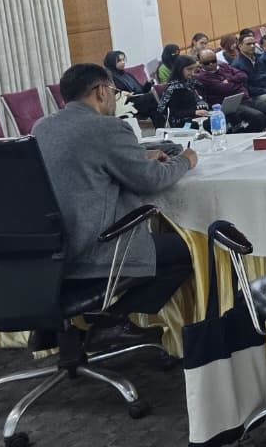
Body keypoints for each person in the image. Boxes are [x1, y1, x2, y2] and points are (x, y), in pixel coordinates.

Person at [33, 62, 196, 349]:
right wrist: (186, 160)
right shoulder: (107, 127)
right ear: (100, 91)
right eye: (113, 91)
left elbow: (84, 161)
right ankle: (112, 323)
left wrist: (139, 155)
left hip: (49, 253)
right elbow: (152, 181)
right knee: (187, 250)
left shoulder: (42, 126)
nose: (113, 97)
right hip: (94, 249)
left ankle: (63, 328)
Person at [192, 50, 266, 131]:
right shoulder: (202, 77)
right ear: (200, 63)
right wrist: (239, 84)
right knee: (258, 116)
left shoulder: (224, 66)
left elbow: (243, 75)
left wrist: (230, 80)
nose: (211, 64)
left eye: (213, 61)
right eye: (206, 63)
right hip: (229, 105)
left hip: (246, 98)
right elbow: (224, 89)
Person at [156, 55, 212, 127]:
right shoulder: (174, 88)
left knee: (218, 117)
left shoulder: (191, 83)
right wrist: (194, 112)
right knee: (210, 123)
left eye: (193, 69)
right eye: (189, 69)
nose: (192, 73)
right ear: (179, 69)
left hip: (196, 117)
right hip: (183, 124)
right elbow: (174, 113)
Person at [102, 50, 159, 121]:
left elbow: (142, 90)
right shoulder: (109, 77)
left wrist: (149, 83)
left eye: (123, 60)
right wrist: (124, 94)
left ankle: (162, 125)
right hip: (128, 103)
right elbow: (115, 95)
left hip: (139, 99)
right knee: (152, 99)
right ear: (111, 62)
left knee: (156, 97)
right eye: (119, 60)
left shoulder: (128, 75)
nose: (123, 62)